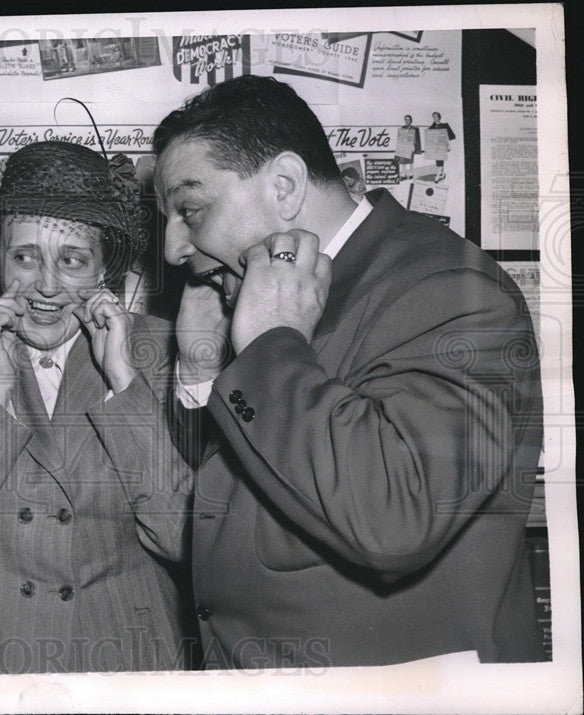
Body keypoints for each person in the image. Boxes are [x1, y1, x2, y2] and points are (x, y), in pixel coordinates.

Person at [152, 75, 543, 668]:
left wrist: (268, 346)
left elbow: (395, 517)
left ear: (284, 186)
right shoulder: (265, 285)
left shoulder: (453, 289)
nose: (173, 249)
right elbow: (240, 476)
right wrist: (204, 369)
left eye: (191, 210)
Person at [0, 141, 194, 674]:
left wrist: (122, 381)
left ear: (103, 272)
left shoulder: (162, 350)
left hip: (125, 655)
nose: (45, 285)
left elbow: (184, 537)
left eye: (71, 260)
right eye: (24, 257)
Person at [427, 111, 455, 182]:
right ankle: (442, 174)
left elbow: (449, 136)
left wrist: (449, 145)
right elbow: (429, 136)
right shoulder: (431, 127)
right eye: (433, 117)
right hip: (436, 147)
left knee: (440, 161)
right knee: (439, 161)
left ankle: (437, 177)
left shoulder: (445, 125)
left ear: (439, 117)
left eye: (436, 116)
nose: (434, 118)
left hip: (443, 146)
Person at [395, 114, 421, 180]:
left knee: (411, 161)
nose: (407, 121)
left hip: (411, 145)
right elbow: (400, 137)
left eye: (408, 119)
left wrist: (413, 145)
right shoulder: (402, 128)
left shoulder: (414, 128)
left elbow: (416, 138)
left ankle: (411, 174)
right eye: (406, 119)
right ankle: (403, 175)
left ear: (410, 120)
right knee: (403, 161)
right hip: (403, 146)